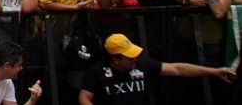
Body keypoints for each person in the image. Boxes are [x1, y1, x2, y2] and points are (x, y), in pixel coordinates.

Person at [79, 34, 235, 104]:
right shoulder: (97, 71)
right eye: (129, 56)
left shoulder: (143, 64)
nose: (135, 58)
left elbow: (178, 69)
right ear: (115, 59)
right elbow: (84, 97)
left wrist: (214, 71)